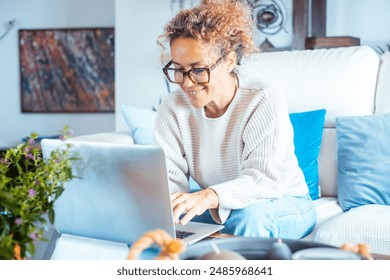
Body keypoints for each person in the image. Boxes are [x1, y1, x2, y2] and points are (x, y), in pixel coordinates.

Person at [154, 0, 316, 239]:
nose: (187, 83)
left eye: (198, 70)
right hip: (220, 202)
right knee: (158, 220)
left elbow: (263, 180)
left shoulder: (262, 99)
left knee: (247, 218)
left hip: (282, 201)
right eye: (178, 69)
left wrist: (208, 196)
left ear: (229, 61)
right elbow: (169, 180)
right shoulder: (173, 106)